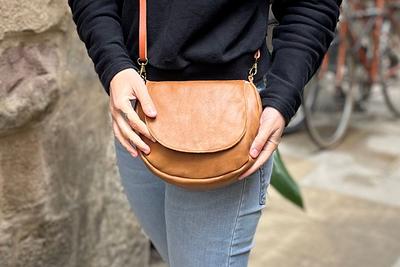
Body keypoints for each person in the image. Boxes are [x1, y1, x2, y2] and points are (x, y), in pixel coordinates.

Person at [68, 0, 341, 266]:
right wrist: (113, 65)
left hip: (230, 122)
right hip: (142, 114)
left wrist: (282, 96)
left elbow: (312, 5)